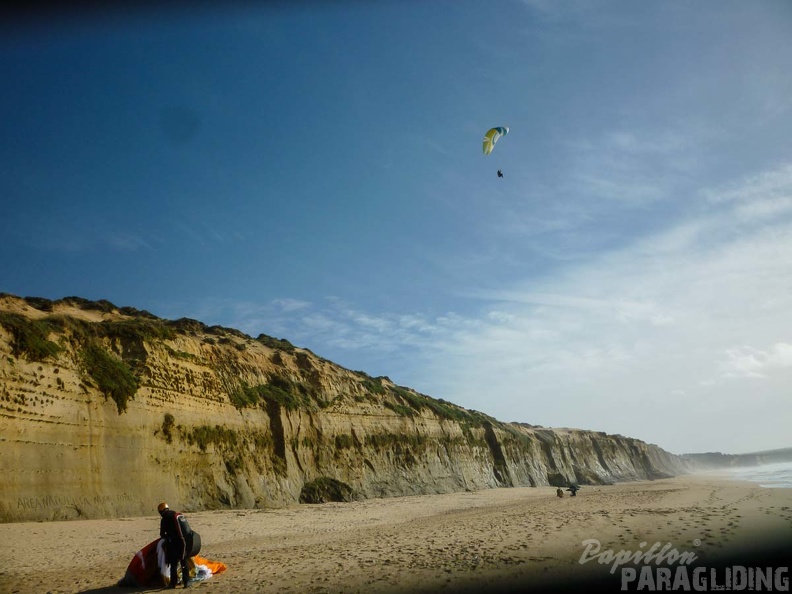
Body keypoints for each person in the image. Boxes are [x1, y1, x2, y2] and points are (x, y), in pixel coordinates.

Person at [158, 502, 192, 588]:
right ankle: (187, 582)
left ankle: (173, 583)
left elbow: (162, 534)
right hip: (184, 542)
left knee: (173, 564)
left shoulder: (165, 518)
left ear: (161, 511)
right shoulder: (177, 515)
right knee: (184, 561)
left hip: (174, 544)